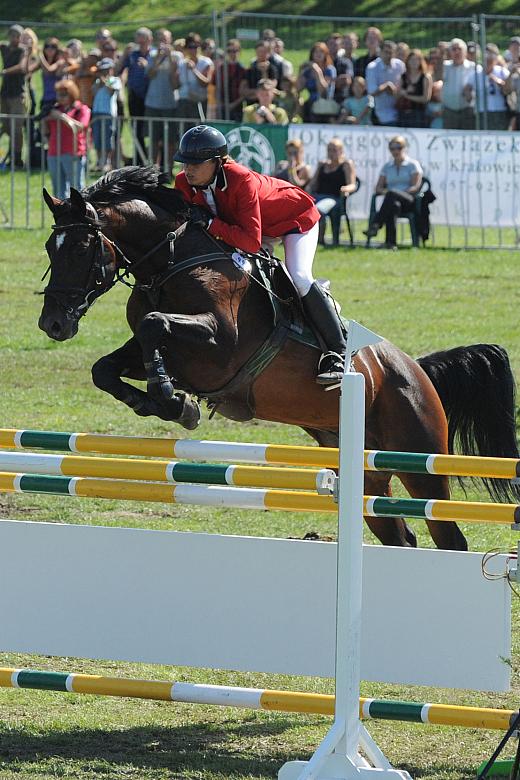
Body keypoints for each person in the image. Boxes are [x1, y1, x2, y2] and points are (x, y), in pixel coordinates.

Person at [174, 124, 347, 386]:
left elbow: (251, 243)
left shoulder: (241, 180)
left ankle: (338, 353)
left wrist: (211, 225)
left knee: (299, 276)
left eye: (197, 163)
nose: (189, 169)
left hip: (294, 220)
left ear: (219, 162)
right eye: (186, 162)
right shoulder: (183, 182)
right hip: (249, 226)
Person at [363, 135, 422, 250]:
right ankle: (390, 244)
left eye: (398, 147)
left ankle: (376, 225)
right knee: (394, 205)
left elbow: (415, 187)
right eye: (392, 148)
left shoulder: (413, 164)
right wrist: (388, 193)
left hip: (409, 200)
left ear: (404, 148)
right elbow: (378, 188)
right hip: (391, 202)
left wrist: (396, 193)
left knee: (392, 193)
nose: (395, 151)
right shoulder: (387, 167)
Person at [41, 79, 90, 199]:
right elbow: (45, 131)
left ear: (72, 94)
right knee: (58, 189)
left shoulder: (81, 109)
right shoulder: (54, 109)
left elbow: (81, 126)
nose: (61, 97)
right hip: (54, 152)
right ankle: (63, 215)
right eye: (58, 94)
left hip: (73, 152)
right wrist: (44, 119)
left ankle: (80, 215)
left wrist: (62, 117)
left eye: (64, 94)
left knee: (77, 188)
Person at [310, 137, 357, 246]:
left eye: (334, 150)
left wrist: (345, 189)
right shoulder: (322, 165)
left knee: (318, 210)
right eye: (329, 150)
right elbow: (313, 183)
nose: (331, 153)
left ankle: (319, 241)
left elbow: (353, 185)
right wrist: (318, 169)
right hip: (318, 196)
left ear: (341, 151)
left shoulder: (346, 164)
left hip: (334, 198)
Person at [144, 29, 180, 167]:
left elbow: (174, 80)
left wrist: (169, 57)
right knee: (153, 139)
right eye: (160, 38)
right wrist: (158, 59)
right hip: (152, 103)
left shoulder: (177, 56)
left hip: (170, 103)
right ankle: (152, 170)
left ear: (170, 40)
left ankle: (168, 169)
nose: (163, 41)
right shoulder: (152, 55)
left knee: (169, 140)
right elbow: (150, 75)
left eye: (165, 39)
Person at [116, 27, 153, 158]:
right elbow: (118, 69)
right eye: (138, 41)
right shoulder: (133, 54)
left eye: (143, 41)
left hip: (152, 97)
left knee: (152, 131)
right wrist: (125, 54)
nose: (140, 44)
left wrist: (148, 65)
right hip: (134, 96)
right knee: (136, 129)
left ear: (150, 40)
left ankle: (155, 159)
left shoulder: (154, 54)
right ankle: (140, 158)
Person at [0, 24, 28, 168]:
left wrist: (5, 72)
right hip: (4, 93)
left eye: (17, 36)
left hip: (18, 94)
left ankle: (17, 159)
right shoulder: (4, 48)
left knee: (17, 128)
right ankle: (10, 154)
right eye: (12, 35)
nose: (14, 38)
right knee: (5, 126)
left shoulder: (22, 50)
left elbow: (22, 67)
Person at [441, 38, 479, 130]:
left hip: (468, 110)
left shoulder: (474, 67)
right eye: (454, 49)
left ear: (465, 52)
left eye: (460, 49)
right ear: (450, 52)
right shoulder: (444, 66)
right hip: (449, 111)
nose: (457, 52)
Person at [91, 57, 121, 171]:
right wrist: (99, 81)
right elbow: (93, 92)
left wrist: (104, 80)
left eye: (105, 69)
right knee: (97, 139)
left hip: (108, 113)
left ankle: (107, 161)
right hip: (96, 113)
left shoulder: (115, 80)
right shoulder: (97, 82)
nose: (103, 72)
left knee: (108, 139)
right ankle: (99, 161)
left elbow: (111, 90)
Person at [366, 40, 405, 126]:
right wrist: (386, 87)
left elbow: (404, 85)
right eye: (386, 52)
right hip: (380, 113)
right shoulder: (372, 67)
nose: (389, 55)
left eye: (391, 53)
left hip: (399, 110)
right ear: (380, 52)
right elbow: (372, 92)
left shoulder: (400, 65)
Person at [176, 32, 214, 121]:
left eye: (196, 46)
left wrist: (194, 70)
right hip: (183, 102)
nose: (194, 49)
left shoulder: (206, 62)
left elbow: (205, 83)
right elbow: (175, 85)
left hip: (199, 102)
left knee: (198, 131)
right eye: (190, 47)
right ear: (186, 48)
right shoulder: (181, 63)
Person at [297, 42, 337, 122]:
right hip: (311, 104)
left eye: (321, 52)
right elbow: (298, 89)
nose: (318, 54)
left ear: (326, 54)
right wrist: (301, 72)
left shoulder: (330, 70)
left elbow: (322, 91)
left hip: (325, 104)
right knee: (300, 103)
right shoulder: (308, 71)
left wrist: (317, 71)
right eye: (316, 52)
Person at [474, 44, 509, 130]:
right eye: (486, 56)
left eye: (491, 56)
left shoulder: (502, 71)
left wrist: (497, 81)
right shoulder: (477, 73)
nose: (488, 59)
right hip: (482, 111)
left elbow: (508, 89)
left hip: (499, 110)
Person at [397, 49, 433, 128]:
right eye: (412, 59)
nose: (414, 62)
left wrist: (406, 95)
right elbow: (397, 94)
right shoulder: (403, 77)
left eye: (417, 59)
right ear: (408, 61)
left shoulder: (425, 77)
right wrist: (405, 91)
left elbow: (425, 98)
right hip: (403, 113)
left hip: (420, 114)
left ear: (421, 61)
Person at [213, 38, 246, 120]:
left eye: (234, 51)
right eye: (229, 51)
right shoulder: (220, 69)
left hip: (237, 107)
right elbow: (216, 88)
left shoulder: (243, 70)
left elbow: (244, 91)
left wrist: (233, 104)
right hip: (222, 107)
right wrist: (221, 103)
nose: (232, 53)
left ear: (239, 51)